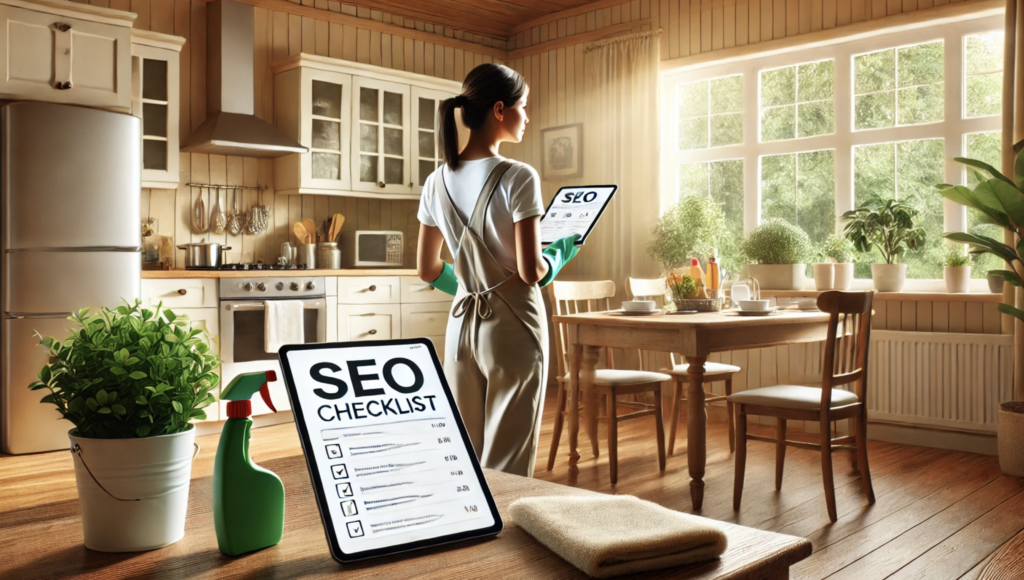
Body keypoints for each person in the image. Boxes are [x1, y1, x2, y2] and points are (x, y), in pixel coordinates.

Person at [416, 63, 580, 477]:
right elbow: (530, 272)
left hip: (459, 328)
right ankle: (506, 539)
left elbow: (426, 268)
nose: (529, 117)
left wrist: (469, 288)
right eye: (525, 107)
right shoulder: (519, 176)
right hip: (513, 329)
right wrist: (561, 252)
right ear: (501, 109)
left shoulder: (436, 181)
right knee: (507, 459)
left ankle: (469, 533)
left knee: (465, 455)